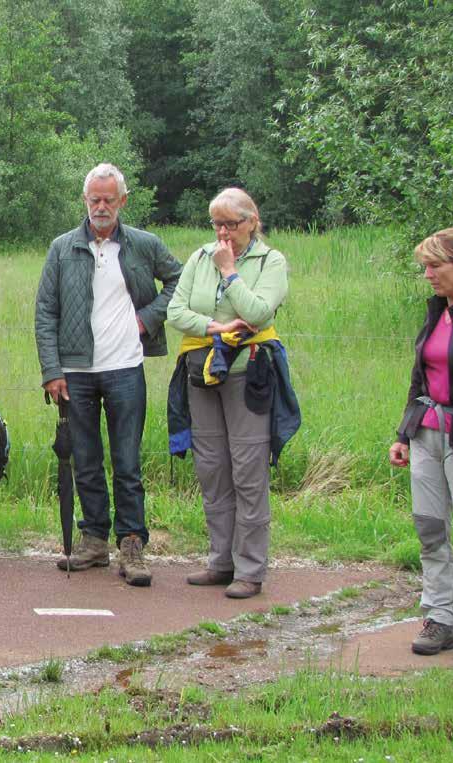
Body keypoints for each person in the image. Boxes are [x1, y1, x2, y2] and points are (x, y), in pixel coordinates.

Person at [35, 163, 182, 587]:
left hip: (125, 369)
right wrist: (52, 369)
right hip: (75, 373)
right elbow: (45, 311)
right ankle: (94, 539)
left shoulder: (143, 244)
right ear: (85, 200)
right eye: (94, 199)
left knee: (127, 461)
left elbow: (179, 280)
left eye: (109, 199)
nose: (101, 207)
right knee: (85, 459)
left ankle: (132, 543)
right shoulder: (62, 248)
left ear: (123, 200)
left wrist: (148, 318)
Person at [167, 188, 291, 599]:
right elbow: (175, 312)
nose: (223, 233)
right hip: (201, 371)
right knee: (212, 467)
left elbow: (258, 313)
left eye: (231, 224)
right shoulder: (198, 257)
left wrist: (230, 273)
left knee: (247, 469)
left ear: (252, 221)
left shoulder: (270, 261)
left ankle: (250, 570)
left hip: (248, 372)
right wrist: (215, 328)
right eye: (216, 224)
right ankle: (221, 561)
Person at [390, 227, 453, 662]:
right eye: (425, 266)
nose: (428, 274)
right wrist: (403, 435)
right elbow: (420, 376)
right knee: (430, 530)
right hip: (427, 432)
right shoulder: (435, 312)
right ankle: (440, 620)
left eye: (435, 265)